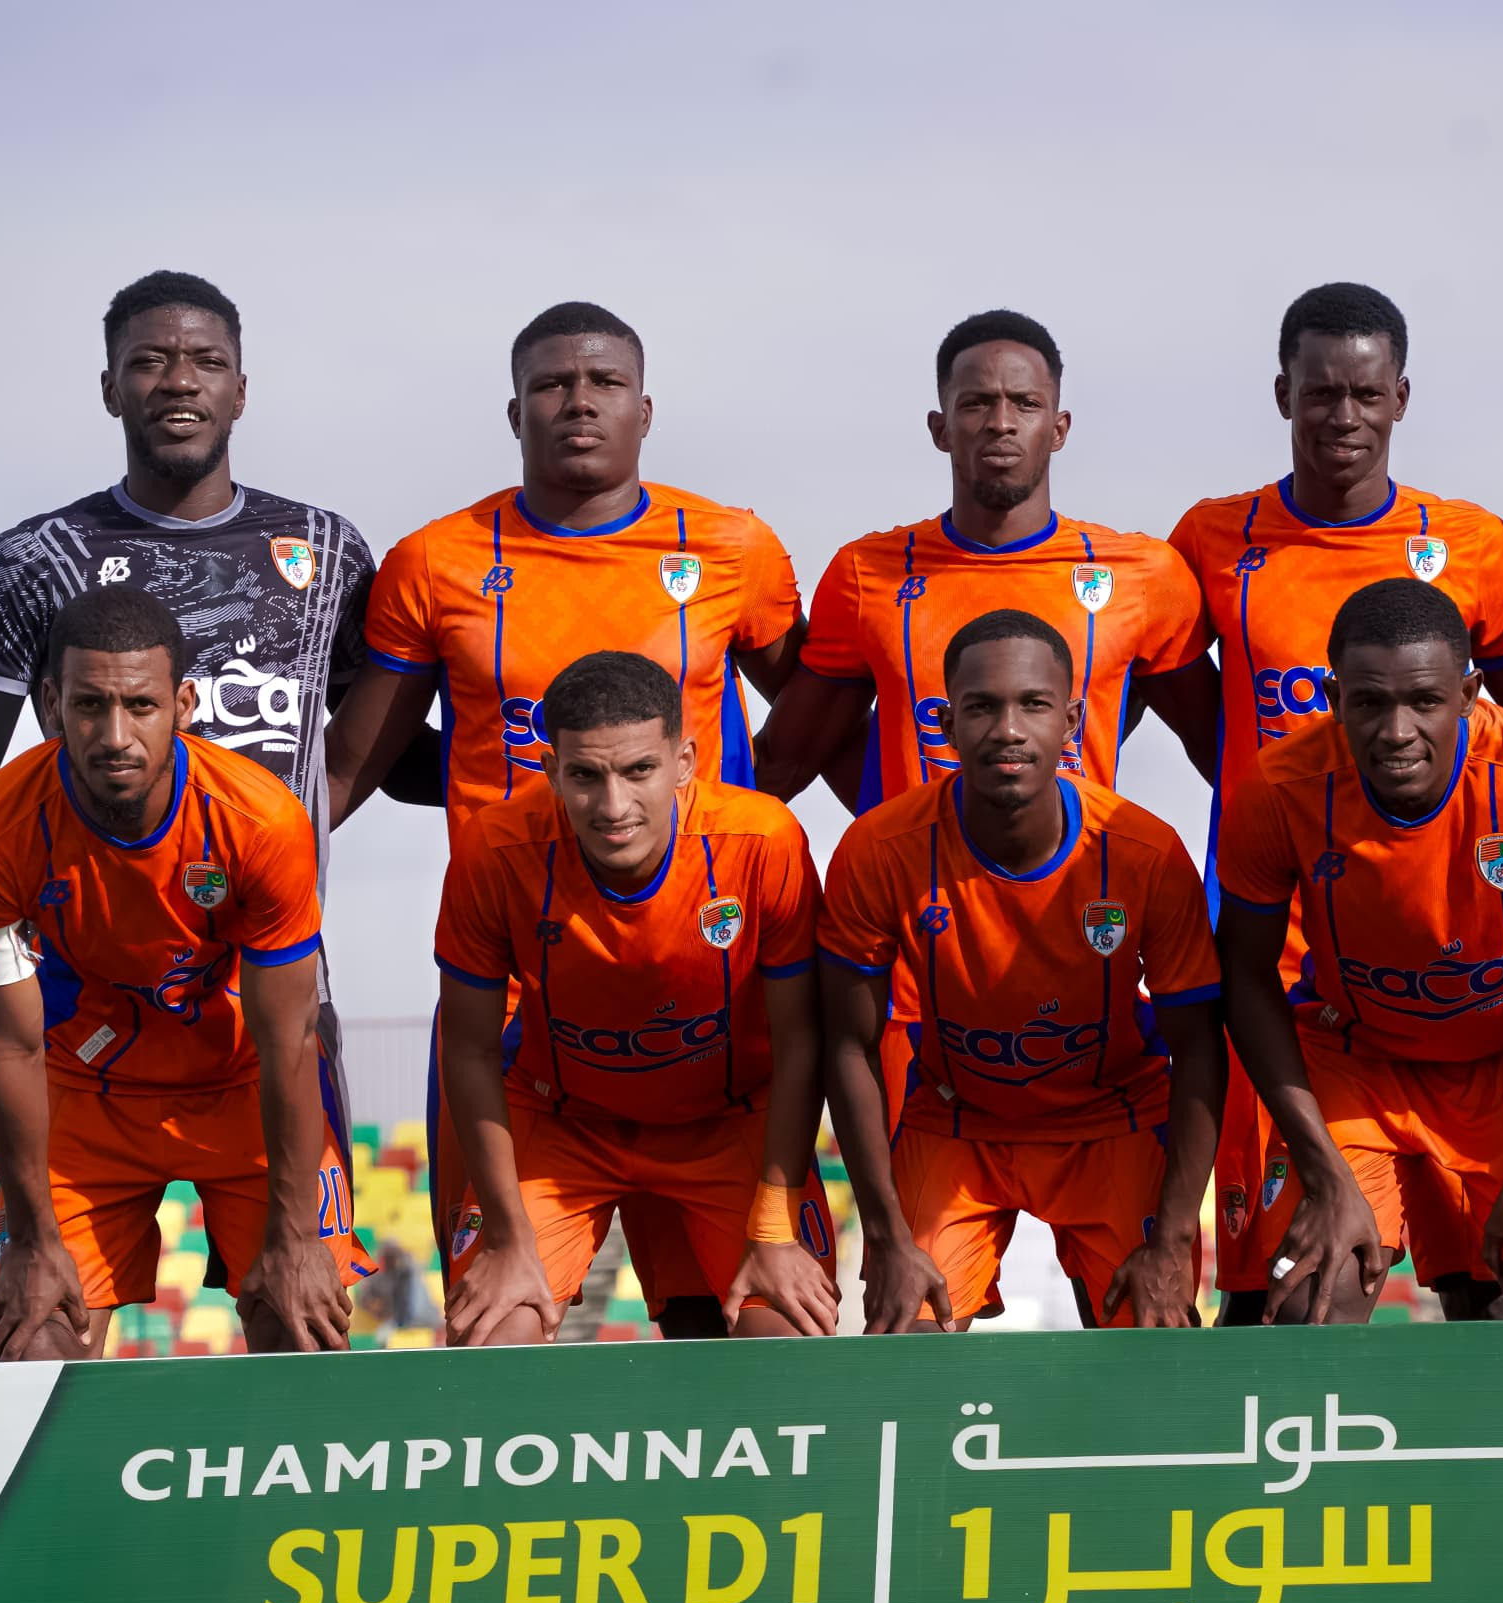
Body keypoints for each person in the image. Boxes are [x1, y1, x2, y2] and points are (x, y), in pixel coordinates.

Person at [324, 300, 805, 1339]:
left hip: (701, 982)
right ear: (515, 411)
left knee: (728, 1329)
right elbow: (355, 763)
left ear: (644, 409)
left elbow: (820, 718)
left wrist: (745, 814)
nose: (578, 402)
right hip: (519, 997)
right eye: (551, 384)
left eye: (603, 383)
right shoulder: (436, 561)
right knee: (493, 1322)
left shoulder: (730, 548)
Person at [1167, 282, 1503, 1323]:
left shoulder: (1472, 542)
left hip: (1467, 977)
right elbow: (1178, 706)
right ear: (1283, 395)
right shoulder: (1212, 539)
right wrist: (1294, 802)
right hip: (1296, 980)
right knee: (1283, 1289)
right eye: (1320, 393)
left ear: (1401, 397)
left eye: (1365, 393)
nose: (1342, 416)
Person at [755, 310, 1218, 1244]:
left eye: (1022, 403)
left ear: (1060, 424)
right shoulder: (867, 574)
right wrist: (895, 821)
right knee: (911, 1281)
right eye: (974, 403)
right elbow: (793, 753)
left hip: (1079, 952)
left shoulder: (1141, 575)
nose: (999, 421)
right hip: (916, 970)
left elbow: (1224, 749)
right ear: (940, 426)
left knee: (1126, 1287)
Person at [0, 588, 370, 1359]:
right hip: (85, 1096)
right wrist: (33, 1240)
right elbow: (8, 1044)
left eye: (140, 705)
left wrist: (297, 1236)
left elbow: (289, 1040)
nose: (115, 736)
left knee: (302, 1325)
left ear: (183, 705)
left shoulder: (261, 821)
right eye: (89, 705)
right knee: (34, 1343)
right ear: (51, 704)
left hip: (241, 1086)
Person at [1215, 579, 1503, 1324]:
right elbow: (1244, 975)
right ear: (1332, 696)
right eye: (1368, 703)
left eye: (1424, 701)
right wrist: (1322, 1171)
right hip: (1356, 1068)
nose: (1396, 731)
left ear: (1469, 694)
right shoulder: (1276, 787)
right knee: (1314, 1300)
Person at [0, 270, 435, 859]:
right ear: (110, 391)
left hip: (271, 914)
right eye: (149, 361)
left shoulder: (325, 549)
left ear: (239, 393)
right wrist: (21, 901)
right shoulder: (35, 558)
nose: (180, 382)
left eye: (208, 362)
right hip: (99, 910)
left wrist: (528, 762)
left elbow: (392, 759)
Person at [816, 611, 1224, 1332]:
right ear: (944, 723)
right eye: (981, 707)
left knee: (1150, 1342)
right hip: (957, 1121)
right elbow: (848, 1042)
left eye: (1033, 704)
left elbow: (1199, 1046)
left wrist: (1171, 1241)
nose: (1008, 730)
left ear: (1072, 721)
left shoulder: (1146, 854)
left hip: (1113, 1120)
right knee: (905, 1333)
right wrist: (885, 1234)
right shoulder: (878, 850)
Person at [432, 652, 836, 1343]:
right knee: (493, 1340)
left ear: (683, 763)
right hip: (562, 1124)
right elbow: (468, 1050)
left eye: (639, 770)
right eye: (586, 776)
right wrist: (505, 1236)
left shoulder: (762, 841)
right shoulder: (491, 851)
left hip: (729, 1121)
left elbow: (803, 1040)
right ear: (551, 770)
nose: (613, 807)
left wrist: (774, 1228)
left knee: (789, 1343)